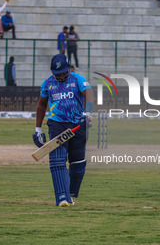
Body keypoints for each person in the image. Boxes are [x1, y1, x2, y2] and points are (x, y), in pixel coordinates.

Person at [33, 54, 94, 207]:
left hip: (78, 124)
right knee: (57, 161)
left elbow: (90, 94)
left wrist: (87, 113)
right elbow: (41, 105)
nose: (60, 76)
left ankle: (71, 194)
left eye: (63, 72)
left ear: (69, 69)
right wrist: (38, 129)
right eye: (57, 73)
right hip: (57, 124)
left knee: (77, 163)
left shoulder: (77, 79)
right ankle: (62, 198)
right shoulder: (47, 84)